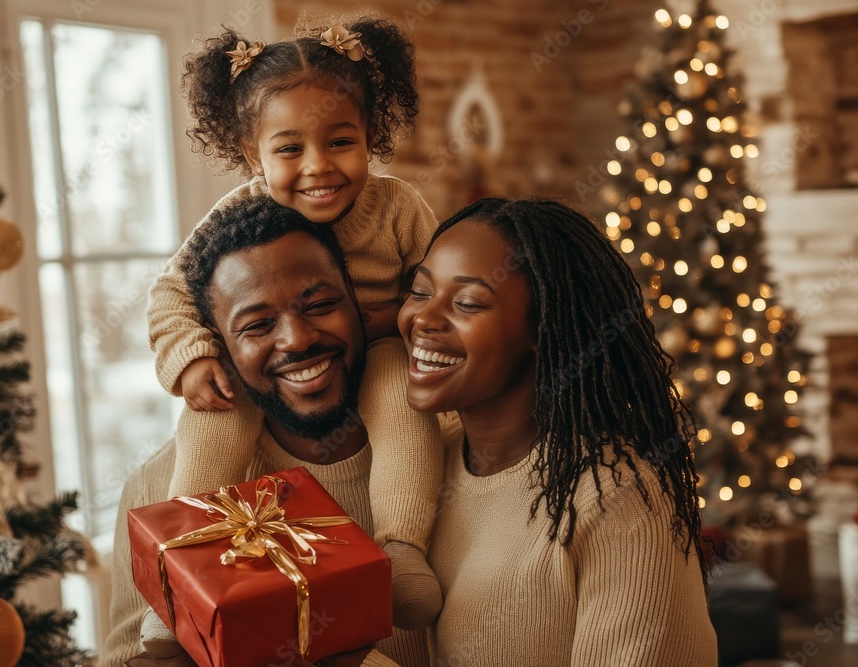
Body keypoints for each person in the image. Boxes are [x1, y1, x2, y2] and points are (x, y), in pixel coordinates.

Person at [146, 16, 444, 637]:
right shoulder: (237, 214)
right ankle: (181, 572)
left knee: (399, 401)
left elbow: (435, 292)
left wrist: (388, 318)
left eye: (341, 142)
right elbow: (171, 293)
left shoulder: (398, 209)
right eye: (289, 149)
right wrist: (195, 357)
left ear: (371, 136)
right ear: (253, 154)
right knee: (216, 414)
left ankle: (403, 549)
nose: (318, 167)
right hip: (267, 373)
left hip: (380, 351)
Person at [105, 196, 436, 667]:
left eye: (321, 304)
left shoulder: (451, 458)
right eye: (257, 325)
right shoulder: (155, 490)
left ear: (358, 300)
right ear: (220, 347)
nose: (297, 339)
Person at [397, 197, 718, 665]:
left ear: (542, 330)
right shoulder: (420, 466)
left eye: (467, 303)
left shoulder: (618, 499)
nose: (422, 320)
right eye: (420, 291)